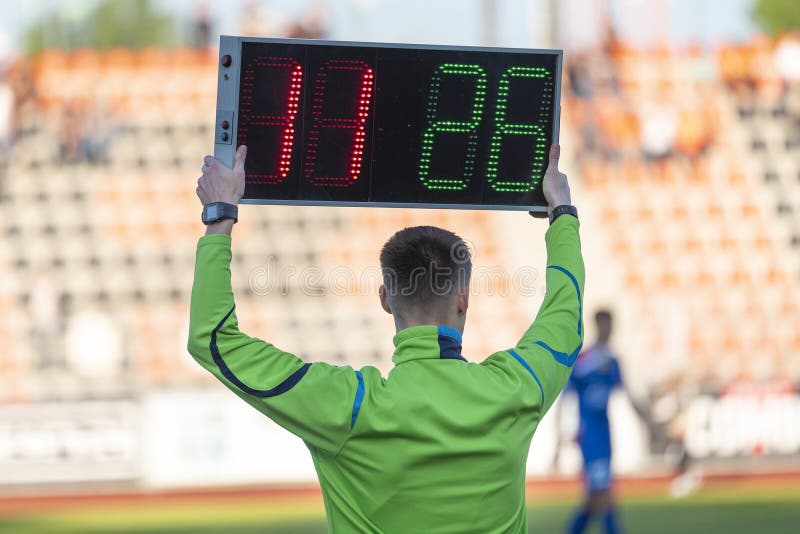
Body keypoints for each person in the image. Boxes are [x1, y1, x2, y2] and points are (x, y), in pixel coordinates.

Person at [188, 143, 583, 532]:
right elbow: (565, 313)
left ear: (385, 300)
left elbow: (213, 340)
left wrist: (220, 216)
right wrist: (561, 212)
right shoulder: (516, 389)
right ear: (463, 298)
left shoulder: (349, 406)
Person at [565, 310, 624, 534]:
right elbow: (567, 396)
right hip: (589, 435)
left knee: (593, 499)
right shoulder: (583, 360)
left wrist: (650, 423)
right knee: (603, 494)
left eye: (610, 325)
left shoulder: (612, 360)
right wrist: (567, 430)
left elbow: (628, 394)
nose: (607, 330)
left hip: (605, 433)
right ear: (596, 325)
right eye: (603, 325)